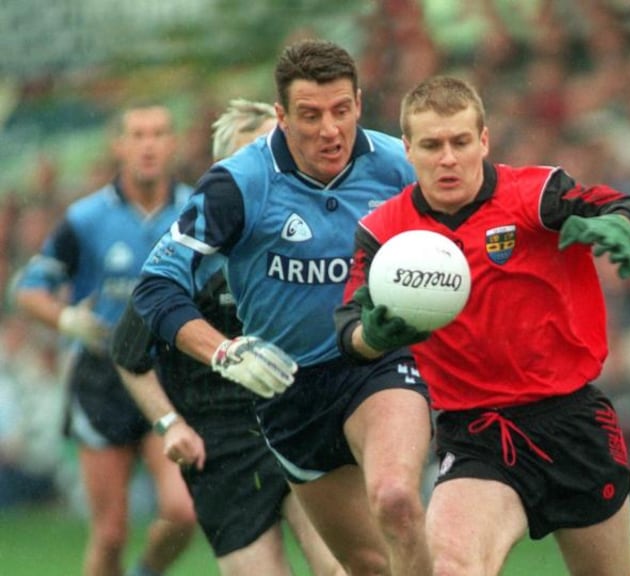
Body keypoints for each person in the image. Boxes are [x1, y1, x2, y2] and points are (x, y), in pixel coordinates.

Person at [334, 75, 630, 576]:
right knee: (452, 568)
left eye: (460, 142)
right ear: (407, 149)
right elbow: (349, 329)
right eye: (432, 145)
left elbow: (627, 206)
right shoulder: (384, 235)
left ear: (483, 140)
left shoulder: (536, 194)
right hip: (477, 434)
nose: (448, 158)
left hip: (571, 423)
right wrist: (372, 337)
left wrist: (620, 225)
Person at [131, 39, 431, 576]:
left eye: (341, 111)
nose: (330, 130)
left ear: (359, 102)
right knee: (366, 564)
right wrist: (224, 351)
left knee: (396, 501)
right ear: (281, 116)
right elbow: (156, 286)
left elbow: (480, 215)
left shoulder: (399, 166)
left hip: (375, 365)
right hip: (287, 391)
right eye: (310, 115)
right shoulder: (239, 184)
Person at [112, 99, 345, 576]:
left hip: (302, 422)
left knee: (344, 568)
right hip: (223, 447)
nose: (265, 173)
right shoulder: (186, 256)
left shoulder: (313, 241)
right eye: (251, 158)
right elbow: (128, 354)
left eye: (273, 155)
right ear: (223, 173)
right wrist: (169, 426)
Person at [14, 103, 196, 576]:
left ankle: (145, 572)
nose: (149, 144)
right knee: (111, 532)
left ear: (173, 142)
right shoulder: (87, 219)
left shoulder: (197, 212)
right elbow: (28, 290)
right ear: (119, 145)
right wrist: (68, 320)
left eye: (158, 133)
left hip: (166, 376)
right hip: (102, 377)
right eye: (137, 134)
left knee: (182, 513)